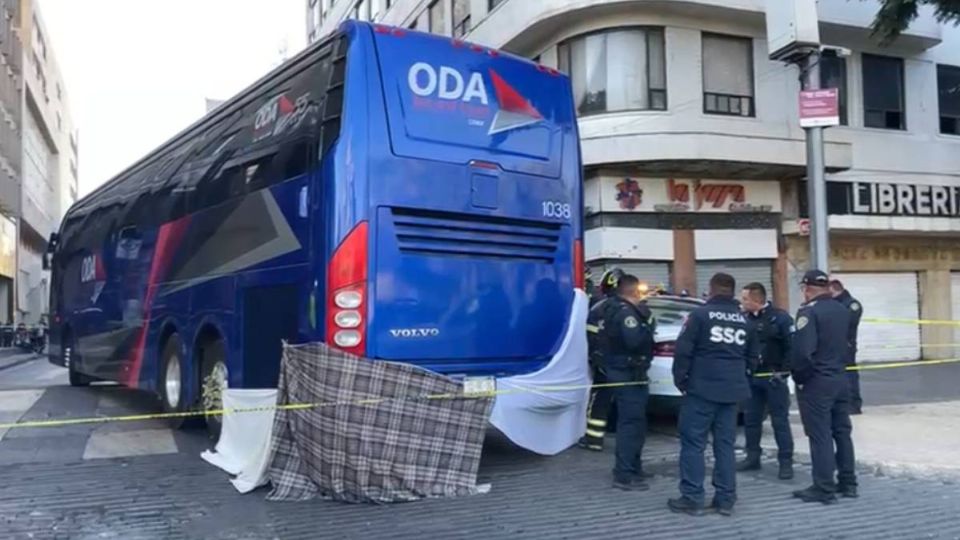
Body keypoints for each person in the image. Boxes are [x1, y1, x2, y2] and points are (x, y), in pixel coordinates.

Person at [669, 273, 759, 516]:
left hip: (702, 390)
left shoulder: (699, 315)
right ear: (732, 291)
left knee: (693, 444)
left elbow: (683, 352)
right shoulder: (744, 320)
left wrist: (682, 381)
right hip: (732, 392)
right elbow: (753, 358)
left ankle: (692, 497)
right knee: (725, 446)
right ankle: (726, 499)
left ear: (711, 289)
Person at [792, 270, 858, 504]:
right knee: (842, 432)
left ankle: (823, 487)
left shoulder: (808, 312)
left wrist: (800, 378)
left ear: (807, 288)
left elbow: (802, 352)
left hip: (817, 382)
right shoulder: (842, 310)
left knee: (819, 435)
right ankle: (848, 483)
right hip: (841, 378)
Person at [601, 274, 655, 490]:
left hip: (632, 373)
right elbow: (633, 341)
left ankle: (634, 466)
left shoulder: (619, 308)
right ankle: (624, 474)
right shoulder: (625, 313)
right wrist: (647, 325)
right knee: (630, 424)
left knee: (637, 422)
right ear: (634, 291)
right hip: (626, 373)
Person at [737, 282, 795, 480]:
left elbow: (792, 347)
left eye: (745, 299)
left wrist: (784, 372)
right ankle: (752, 457)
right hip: (753, 378)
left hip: (774, 378)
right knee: (751, 420)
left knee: (780, 421)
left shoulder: (780, 318)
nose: (741, 302)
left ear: (757, 300)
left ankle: (786, 462)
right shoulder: (744, 319)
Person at [579, 267, 625, 451]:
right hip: (628, 367)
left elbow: (590, 338)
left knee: (600, 400)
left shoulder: (598, 307)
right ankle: (625, 439)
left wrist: (594, 359)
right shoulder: (634, 306)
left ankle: (594, 439)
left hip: (604, 365)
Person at [830, 279, 863, 415]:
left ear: (837, 289)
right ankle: (841, 402)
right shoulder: (834, 304)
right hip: (833, 345)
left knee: (849, 375)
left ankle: (854, 404)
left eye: (830, 292)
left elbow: (848, 321)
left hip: (846, 346)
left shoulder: (852, 304)